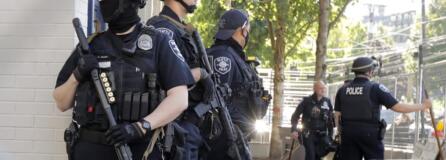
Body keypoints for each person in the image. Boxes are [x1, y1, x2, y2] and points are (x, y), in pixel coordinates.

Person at [52, 0, 195, 159]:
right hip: (90, 149)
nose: (104, 3)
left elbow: (180, 99)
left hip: (139, 150)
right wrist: (77, 75)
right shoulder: (90, 45)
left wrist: (140, 127)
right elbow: (61, 103)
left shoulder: (159, 42)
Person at [145, 0, 216, 159]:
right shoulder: (164, 29)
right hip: (173, 128)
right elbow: (162, 78)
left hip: (186, 129)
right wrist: (200, 74)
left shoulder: (179, 28)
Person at [334, 57, 432, 159]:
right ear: (369, 72)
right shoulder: (375, 88)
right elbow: (398, 107)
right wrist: (423, 106)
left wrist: (340, 134)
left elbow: (337, 115)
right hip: (370, 135)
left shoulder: (342, 90)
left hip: (348, 134)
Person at [206, 9, 270, 160]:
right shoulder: (223, 56)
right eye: (247, 30)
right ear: (243, 30)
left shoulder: (235, 57)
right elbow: (217, 102)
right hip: (225, 143)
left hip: (236, 139)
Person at [290, 81, 335, 160]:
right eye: (320, 88)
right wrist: (294, 130)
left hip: (322, 135)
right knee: (311, 156)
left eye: (324, 88)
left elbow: (330, 120)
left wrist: (330, 136)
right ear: (314, 89)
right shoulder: (306, 101)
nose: (323, 90)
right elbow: (295, 116)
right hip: (308, 134)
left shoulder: (327, 101)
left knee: (318, 157)